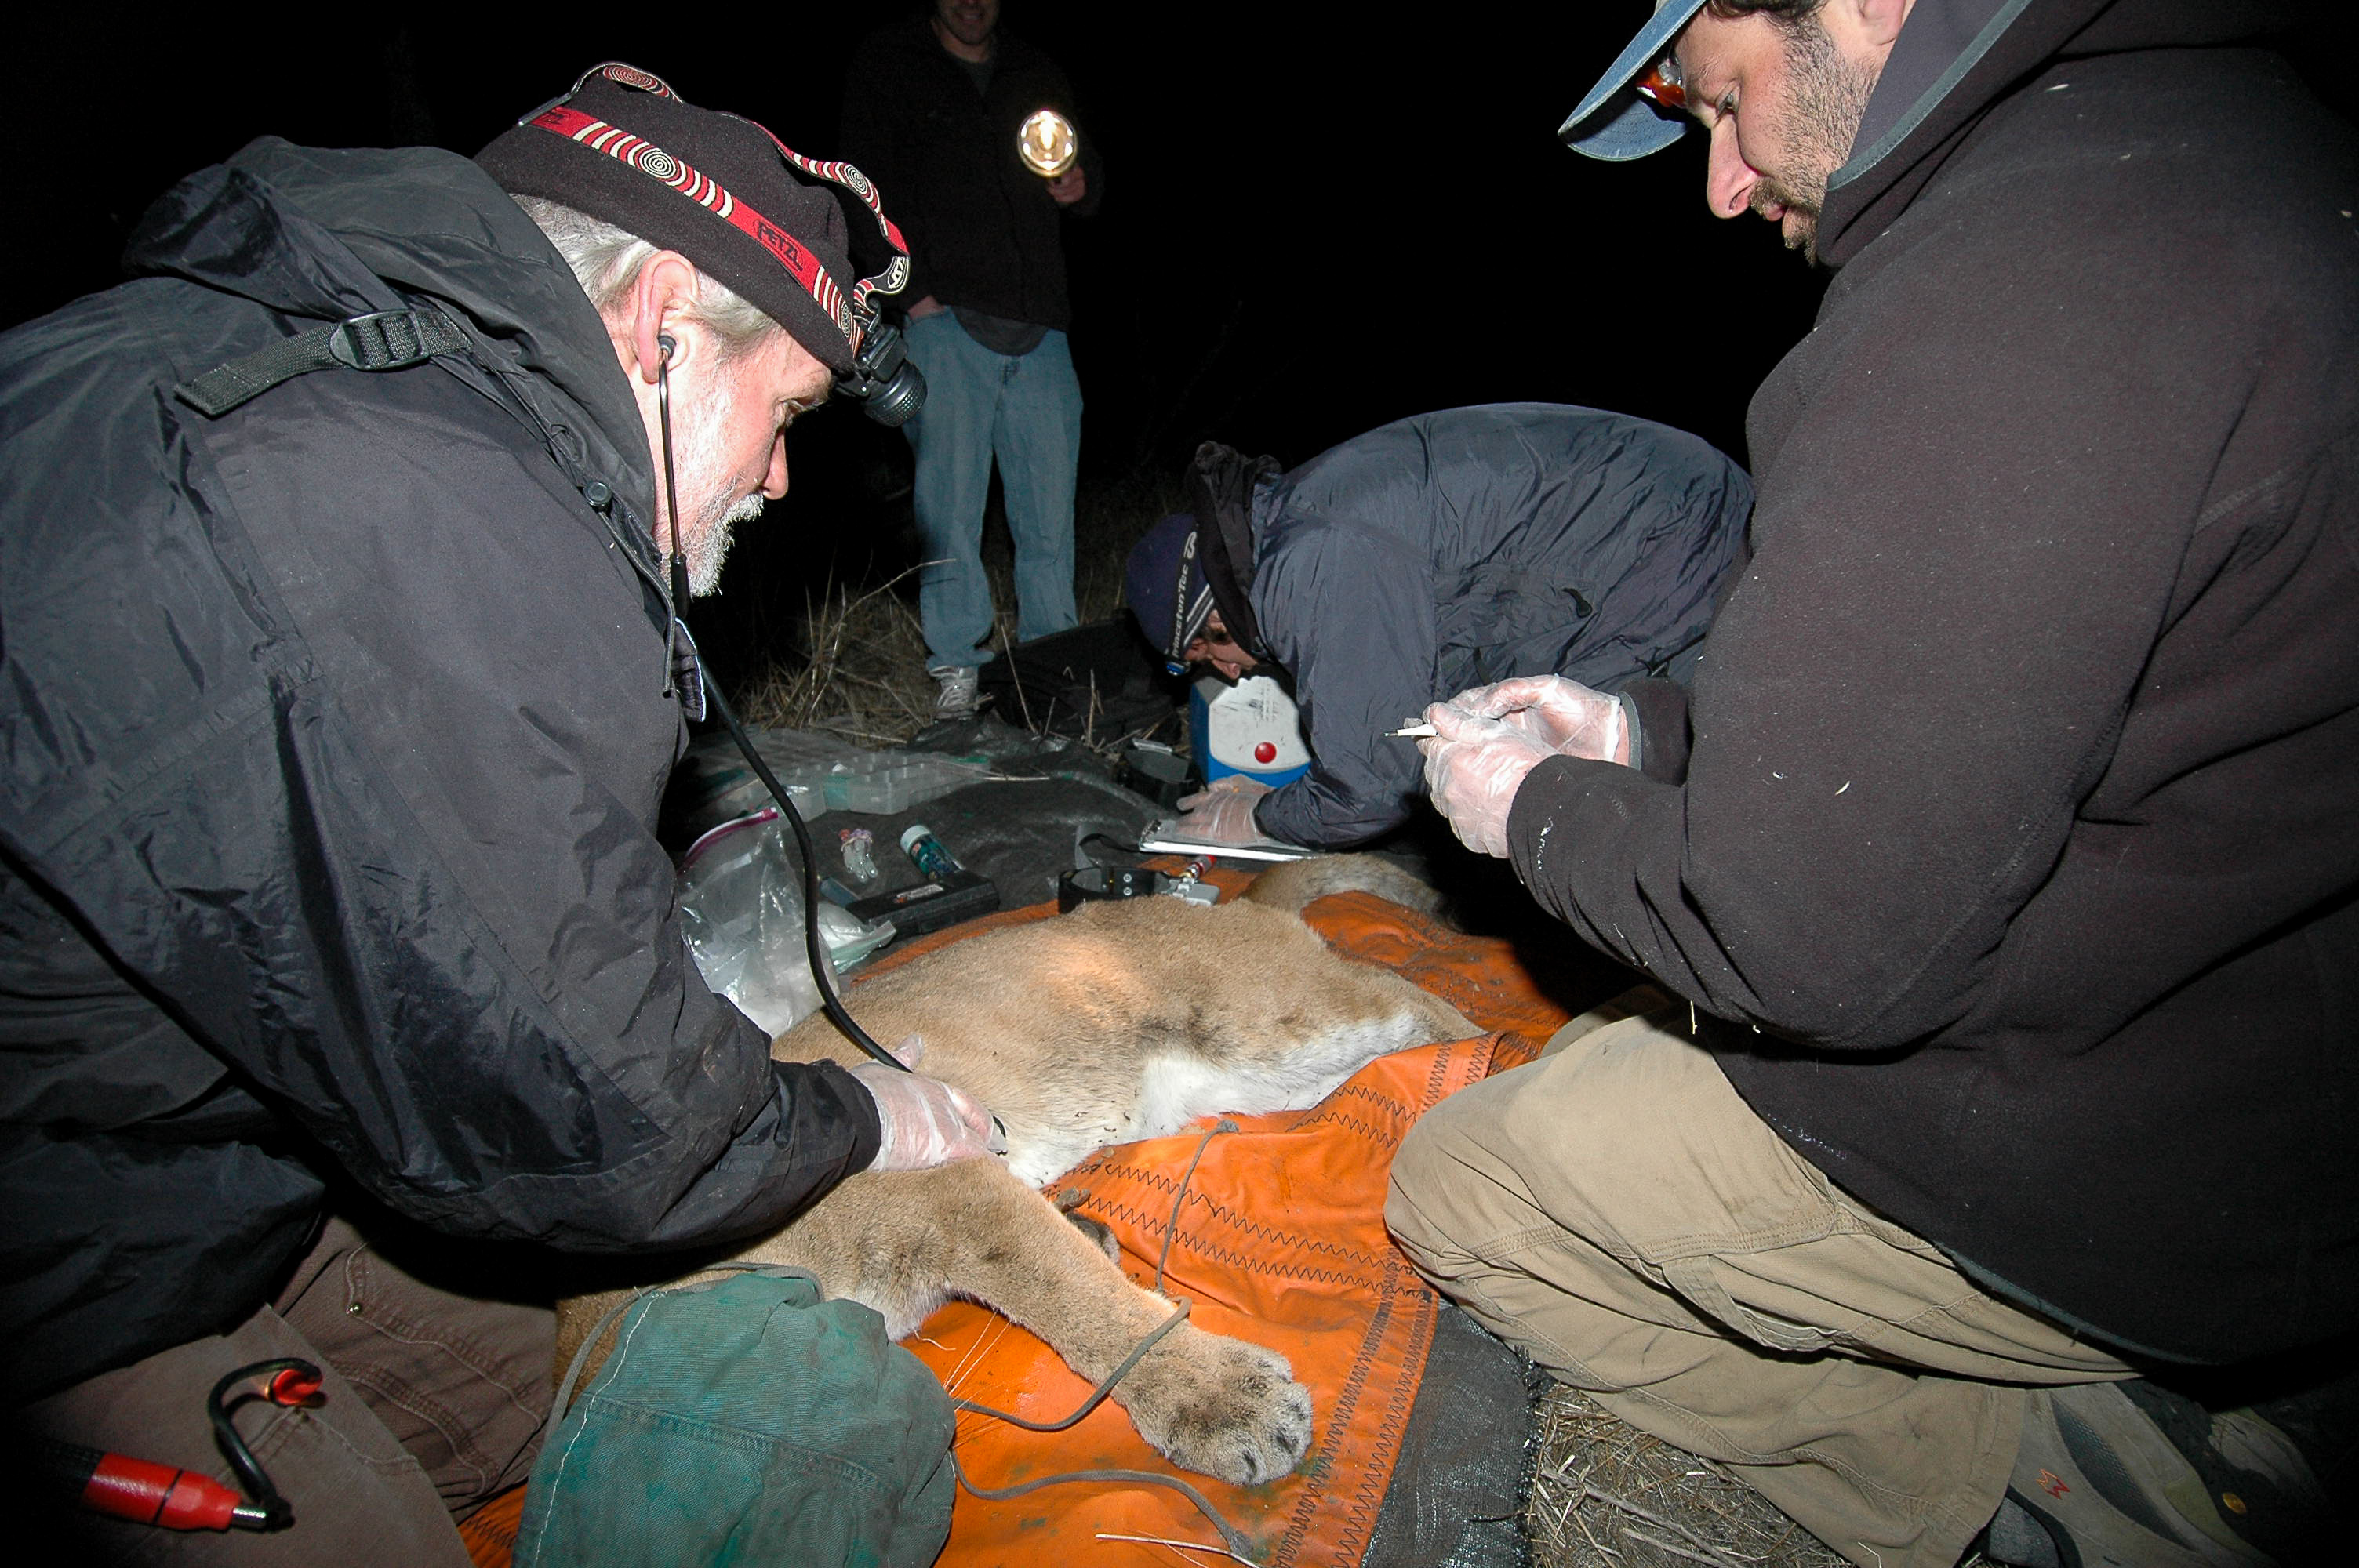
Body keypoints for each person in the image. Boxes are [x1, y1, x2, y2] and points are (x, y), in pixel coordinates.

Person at [1388, 3, 2357, 1566]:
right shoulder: (2229, 137)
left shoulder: (1998, 291)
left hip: (2127, 1173)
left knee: (1463, 1180)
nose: (1718, 183)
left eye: (1721, 101)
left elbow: (1798, 943)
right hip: (2254, 1077)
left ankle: (2010, 1459)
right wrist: (1635, 730)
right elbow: (1990, 700)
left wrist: (1532, 811)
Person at [1, 64, 994, 1563]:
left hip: (153, 1137)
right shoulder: (436, 518)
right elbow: (604, 1116)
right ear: (665, 321)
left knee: (546, 1372)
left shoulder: (286, 359)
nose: (785, 477)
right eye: (785, 412)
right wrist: (861, 1118)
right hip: (64, 1254)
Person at [1122, 405, 1752, 848]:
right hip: (1671, 508)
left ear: (1213, 607)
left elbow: (1372, 785)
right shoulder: (1293, 518)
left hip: (1672, 551)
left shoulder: (1310, 563)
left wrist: (1259, 816)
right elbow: (1433, 670)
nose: (1231, 673)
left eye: (1206, 654)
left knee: (1625, 793)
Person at [841, 0, 1101, 719]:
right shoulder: (890, 62)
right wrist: (913, 293)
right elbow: (861, 186)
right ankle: (959, 665)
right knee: (949, 509)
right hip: (944, 319)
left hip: (1041, 324)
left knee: (1049, 513)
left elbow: (1076, 165)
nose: (970, 2)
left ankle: (1053, 663)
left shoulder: (1034, 68)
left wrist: (1083, 187)